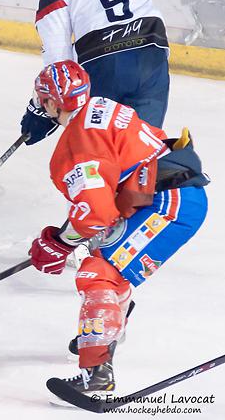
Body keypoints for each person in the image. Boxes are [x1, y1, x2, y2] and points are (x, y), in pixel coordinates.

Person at [27, 61, 208, 400]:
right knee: (107, 258)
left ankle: (96, 375)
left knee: (97, 273)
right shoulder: (101, 106)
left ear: (52, 103)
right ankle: (107, 331)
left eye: (42, 99)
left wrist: (61, 243)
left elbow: (96, 211)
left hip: (169, 203)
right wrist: (66, 237)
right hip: (174, 193)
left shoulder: (75, 146)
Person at [21, 0, 171, 146]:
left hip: (106, 66)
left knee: (99, 151)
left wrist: (42, 110)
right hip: (153, 56)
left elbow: (61, 70)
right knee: (143, 148)